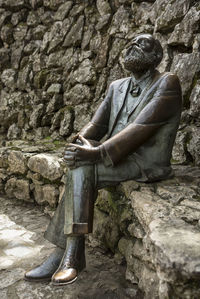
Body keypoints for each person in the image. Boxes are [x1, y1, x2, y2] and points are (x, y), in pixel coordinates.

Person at [24, 34, 182, 285]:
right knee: (80, 165)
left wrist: (96, 152)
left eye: (142, 44)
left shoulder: (167, 82)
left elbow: (142, 127)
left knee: (82, 167)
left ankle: (66, 255)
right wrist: (79, 141)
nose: (132, 46)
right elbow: (96, 124)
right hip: (115, 157)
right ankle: (68, 254)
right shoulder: (116, 86)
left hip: (145, 162)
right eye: (130, 42)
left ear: (156, 57)